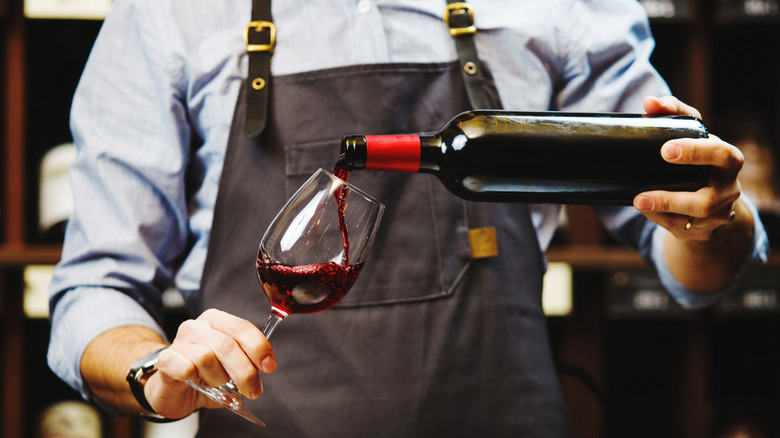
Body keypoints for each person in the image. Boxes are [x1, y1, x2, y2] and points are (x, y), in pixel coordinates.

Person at [47, 0, 768, 437]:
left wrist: (710, 219)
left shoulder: (559, 9)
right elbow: (94, 289)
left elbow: (699, 267)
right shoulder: (167, 14)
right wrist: (153, 371)